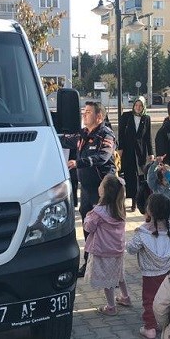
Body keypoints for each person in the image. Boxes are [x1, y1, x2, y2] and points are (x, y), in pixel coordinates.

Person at [60, 102, 117, 272]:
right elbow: (64, 139)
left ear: (99, 117)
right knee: (88, 226)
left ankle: (109, 268)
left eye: (89, 112)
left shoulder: (106, 134)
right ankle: (90, 263)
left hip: (103, 189)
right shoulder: (83, 134)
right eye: (84, 112)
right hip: (86, 189)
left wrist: (78, 163)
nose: (84, 115)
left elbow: (103, 157)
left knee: (106, 228)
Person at [126, 193, 170, 339]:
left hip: (150, 273)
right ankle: (168, 323)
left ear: (149, 211)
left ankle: (150, 327)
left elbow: (131, 249)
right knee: (168, 297)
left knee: (150, 299)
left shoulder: (143, 232)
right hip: (168, 271)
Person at [83, 175, 129, 316]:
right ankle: (126, 297)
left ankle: (111, 307)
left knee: (107, 280)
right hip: (118, 249)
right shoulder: (120, 209)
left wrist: (86, 217)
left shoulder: (98, 212)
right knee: (119, 274)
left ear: (104, 191)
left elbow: (88, 228)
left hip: (103, 250)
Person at [118, 96, 153, 212]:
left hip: (140, 152)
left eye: (140, 106)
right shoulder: (126, 117)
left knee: (139, 176)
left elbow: (148, 137)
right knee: (128, 175)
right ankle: (123, 200)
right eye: (136, 105)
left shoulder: (146, 118)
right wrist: (120, 148)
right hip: (128, 151)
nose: (138, 108)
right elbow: (121, 134)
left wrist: (151, 153)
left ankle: (135, 201)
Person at [146, 161, 170, 232]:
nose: (168, 182)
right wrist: (155, 164)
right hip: (160, 219)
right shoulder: (156, 187)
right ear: (160, 180)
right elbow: (151, 177)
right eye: (165, 179)